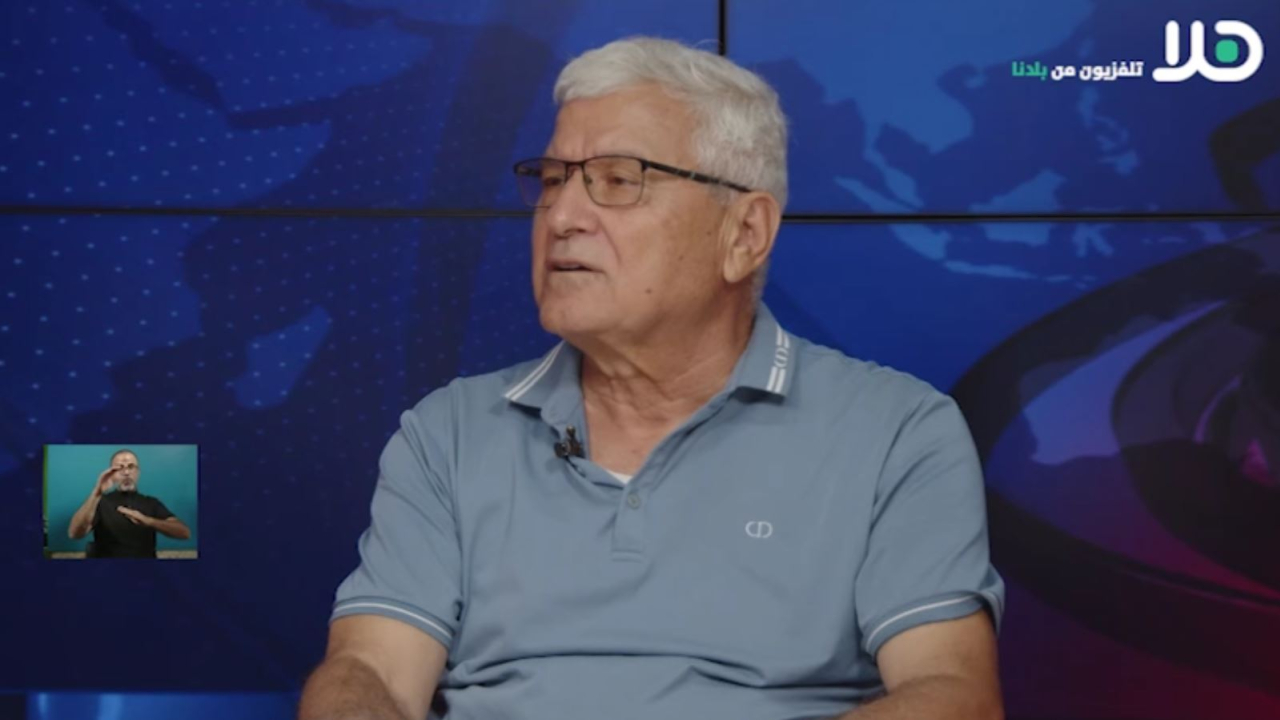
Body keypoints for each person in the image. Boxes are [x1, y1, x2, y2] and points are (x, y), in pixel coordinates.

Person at [300, 37, 1004, 720]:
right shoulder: (448, 433)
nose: (562, 216)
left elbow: (951, 695)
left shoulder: (896, 432)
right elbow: (371, 671)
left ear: (744, 235)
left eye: (618, 181)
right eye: (553, 180)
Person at [67, 449, 191, 558]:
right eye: (119, 468)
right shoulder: (99, 502)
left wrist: (148, 521)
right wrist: (96, 493)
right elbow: (74, 533)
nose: (126, 472)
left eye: (131, 467)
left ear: (138, 472)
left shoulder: (152, 503)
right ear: (112, 474)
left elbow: (184, 533)